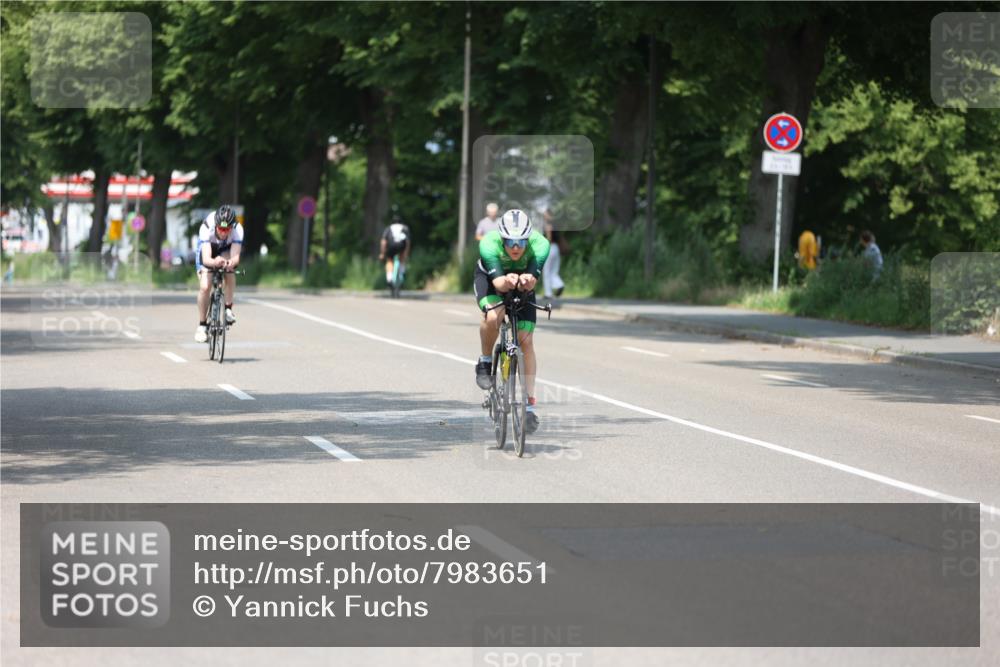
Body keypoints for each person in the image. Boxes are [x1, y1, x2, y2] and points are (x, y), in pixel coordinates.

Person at [474, 209, 550, 434]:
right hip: (492, 280)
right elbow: (498, 284)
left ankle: (528, 406)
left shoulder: (541, 245)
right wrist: (508, 280)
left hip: (520, 284)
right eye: (510, 241)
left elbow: (532, 282)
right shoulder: (488, 244)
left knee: (526, 342)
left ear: (528, 238)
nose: (515, 247)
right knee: (493, 315)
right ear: (502, 238)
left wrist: (527, 280)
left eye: (520, 241)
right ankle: (485, 362)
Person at [195, 205, 243, 342]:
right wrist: (215, 262)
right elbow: (206, 259)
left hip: (226, 250)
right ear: (215, 225)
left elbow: (235, 257)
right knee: (205, 286)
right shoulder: (206, 227)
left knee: (230, 270)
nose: (223, 233)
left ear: (231, 227)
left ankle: (228, 308)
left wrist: (229, 263)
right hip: (208, 250)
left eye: (226, 229)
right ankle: (202, 325)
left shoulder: (238, 230)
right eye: (220, 229)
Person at [379, 215, 411, 287]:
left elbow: (383, 242)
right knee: (402, 259)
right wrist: (406, 253)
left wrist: (382, 253)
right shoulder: (405, 228)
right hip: (401, 246)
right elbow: (408, 242)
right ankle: (401, 276)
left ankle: (389, 278)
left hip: (391, 246)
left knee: (389, 261)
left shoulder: (389, 228)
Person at [542, 208, 566, 298]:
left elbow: (549, 238)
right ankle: (559, 284)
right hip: (556, 248)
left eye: (545, 214)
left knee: (547, 271)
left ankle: (548, 293)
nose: (544, 216)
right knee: (554, 270)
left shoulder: (548, 224)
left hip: (550, 247)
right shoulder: (556, 224)